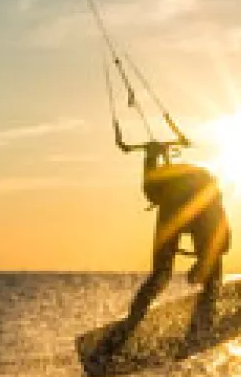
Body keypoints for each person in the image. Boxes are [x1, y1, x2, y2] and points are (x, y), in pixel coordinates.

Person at [99, 121, 231, 359]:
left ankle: (204, 316)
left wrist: (201, 267)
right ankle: (130, 327)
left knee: (201, 272)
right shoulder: (174, 196)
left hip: (192, 200)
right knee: (164, 274)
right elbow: (150, 188)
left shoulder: (211, 206)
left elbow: (222, 243)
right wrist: (151, 157)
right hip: (174, 203)